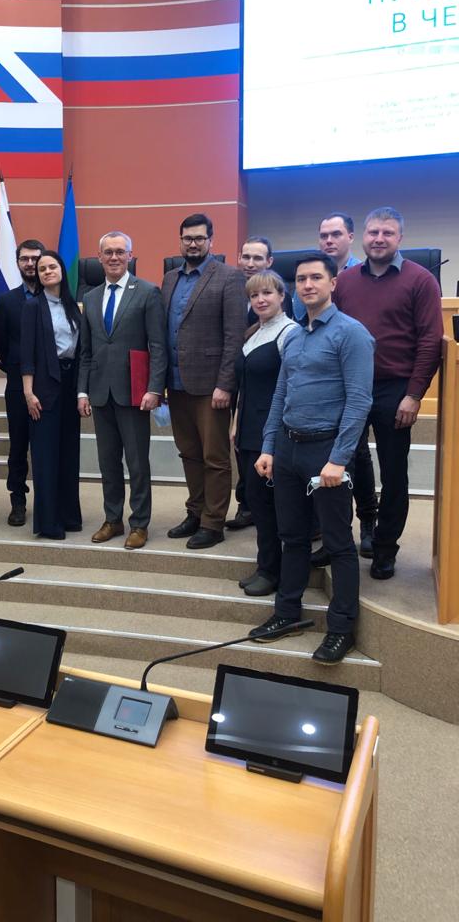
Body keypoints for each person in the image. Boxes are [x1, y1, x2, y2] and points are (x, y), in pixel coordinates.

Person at [249, 254, 374, 664]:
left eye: (316, 277)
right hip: (288, 449)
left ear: (333, 283)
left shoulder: (351, 334)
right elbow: (280, 396)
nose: (307, 285)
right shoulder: (294, 337)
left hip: (327, 453)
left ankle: (341, 629)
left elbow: (359, 402)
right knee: (292, 537)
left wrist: (339, 459)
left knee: (338, 543)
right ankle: (288, 613)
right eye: (301, 279)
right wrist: (269, 446)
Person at [334, 207, 443, 580]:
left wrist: (414, 394)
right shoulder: (345, 282)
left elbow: (430, 341)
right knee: (341, 463)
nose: (379, 239)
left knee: (394, 473)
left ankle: (385, 548)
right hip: (349, 386)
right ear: (363, 236)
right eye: (373, 232)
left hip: (395, 390)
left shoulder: (420, 280)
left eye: (388, 233)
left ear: (400, 238)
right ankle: (339, 540)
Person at [78, 231, 166, 550]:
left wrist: (155, 388)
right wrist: (82, 392)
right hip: (100, 392)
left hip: (135, 392)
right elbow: (86, 351)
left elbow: (158, 345)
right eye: (108, 252)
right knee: (108, 462)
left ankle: (139, 523)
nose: (114, 257)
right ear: (99, 257)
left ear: (130, 256)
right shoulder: (90, 298)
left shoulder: (147, 292)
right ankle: (112, 519)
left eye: (120, 252)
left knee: (137, 463)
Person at [162, 213, 246, 549]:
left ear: (211, 240)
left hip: (212, 386)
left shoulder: (229, 277)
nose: (193, 243)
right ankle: (195, 512)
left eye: (199, 238)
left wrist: (225, 384)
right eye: (187, 238)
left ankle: (213, 522)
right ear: (180, 241)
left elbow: (234, 336)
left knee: (215, 457)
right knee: (189, 453)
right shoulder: (169, 278)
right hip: (176, 383)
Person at [306, 213, 377, 562]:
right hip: (322, 383)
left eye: (336, 234)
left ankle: (368, 524)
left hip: (357, 376)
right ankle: (332, 533)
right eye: (323, 235)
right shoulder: (311, 277)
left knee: (355, 455)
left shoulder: (362, 276)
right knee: (325, 463)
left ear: (350, 236)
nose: (329, 240)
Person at [232, 271, 298, 596]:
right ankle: (265, 564)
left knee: (269, 503)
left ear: (282, 296)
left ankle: (273, 571)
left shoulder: (290, 333)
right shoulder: (253, 333)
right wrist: (235, 423)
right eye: (254, 295)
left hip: (271, 433)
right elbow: (245, 386)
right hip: (247, 429)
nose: (260, 300)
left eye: (267, 293)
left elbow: (291, 389)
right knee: (256, 501)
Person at [20, 250, 82, 539]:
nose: (46, 271)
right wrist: (28, 392)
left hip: (70, 385)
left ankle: (69, 516)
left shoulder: (73, 305)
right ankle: (48, 522)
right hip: (43, 387)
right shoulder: (33, 306)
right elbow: (27, 353)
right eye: (41, 268)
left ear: (61, 270)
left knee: (69, 454)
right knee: (46, 457)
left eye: (51, 266)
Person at [0, 239, 46, 525]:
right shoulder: (7, 301)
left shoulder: (54, 296)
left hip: (50, 384)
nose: (30, 263)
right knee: (18, 446)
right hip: (17, 385)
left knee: (46, 445)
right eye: (24, 259)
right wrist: (17, 368)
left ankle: (48, 500)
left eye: (35, 258)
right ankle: (18, 500)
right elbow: (1, 342)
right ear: (17, 263)